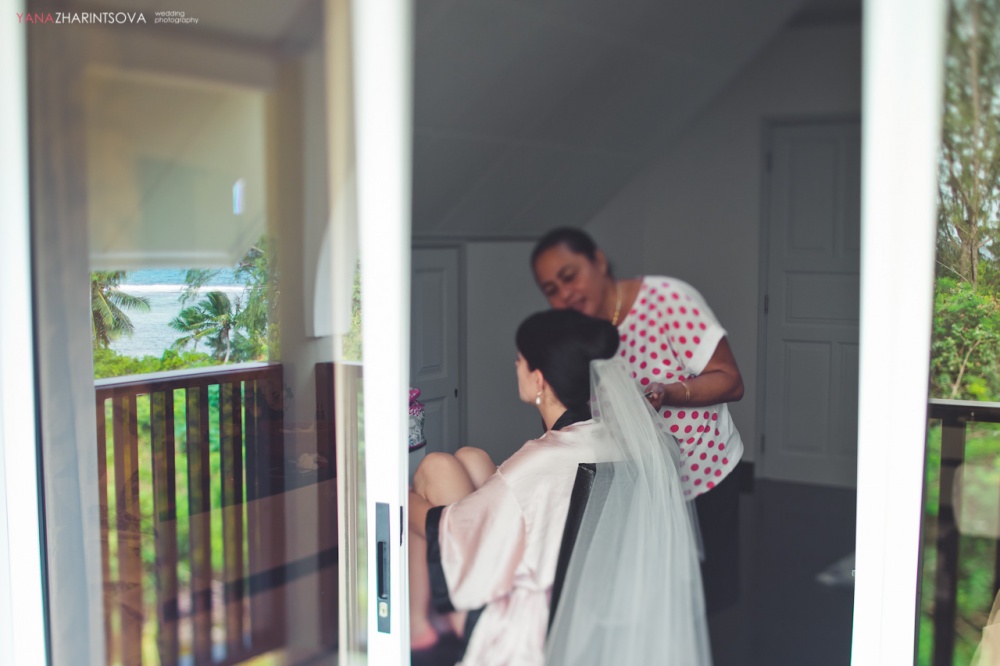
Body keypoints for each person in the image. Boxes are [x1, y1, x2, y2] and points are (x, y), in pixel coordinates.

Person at [408, 309, 709, 666]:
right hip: (593, 605)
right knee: (470, 458)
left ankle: (416, 627)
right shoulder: (627, 443)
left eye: (520, 360)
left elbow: (453, 532)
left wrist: (399, 499)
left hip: (535, 628)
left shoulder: (541, 461)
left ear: (538, 380)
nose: (515, 366)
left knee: (432, 470)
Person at [530, 226, 744, 615]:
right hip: (634, 485)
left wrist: (670, 393)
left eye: (570, 276)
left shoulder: (668, 301)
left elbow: (731, 380)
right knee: (652, 601)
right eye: (551, 290)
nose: (565, 294)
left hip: (703, 474)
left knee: (708, 600)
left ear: (598, 261)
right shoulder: (573, 334)